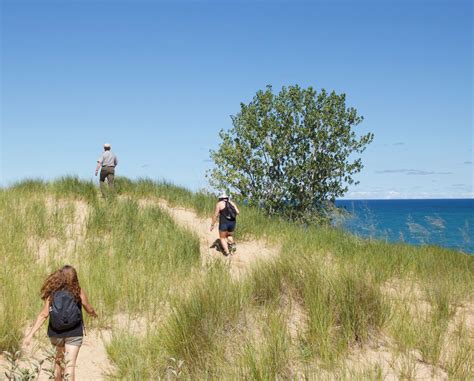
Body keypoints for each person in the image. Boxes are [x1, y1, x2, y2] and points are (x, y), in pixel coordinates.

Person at [23, 265, 98, 381]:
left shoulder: (53, 293)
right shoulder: (78, 290)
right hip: (74, 332)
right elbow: (88, 308)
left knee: (58, 362)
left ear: (60, 277)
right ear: (75, 277)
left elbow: (43, 315)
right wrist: (94, 314)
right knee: (70, 365)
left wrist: (30, 334)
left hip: (56, 332)